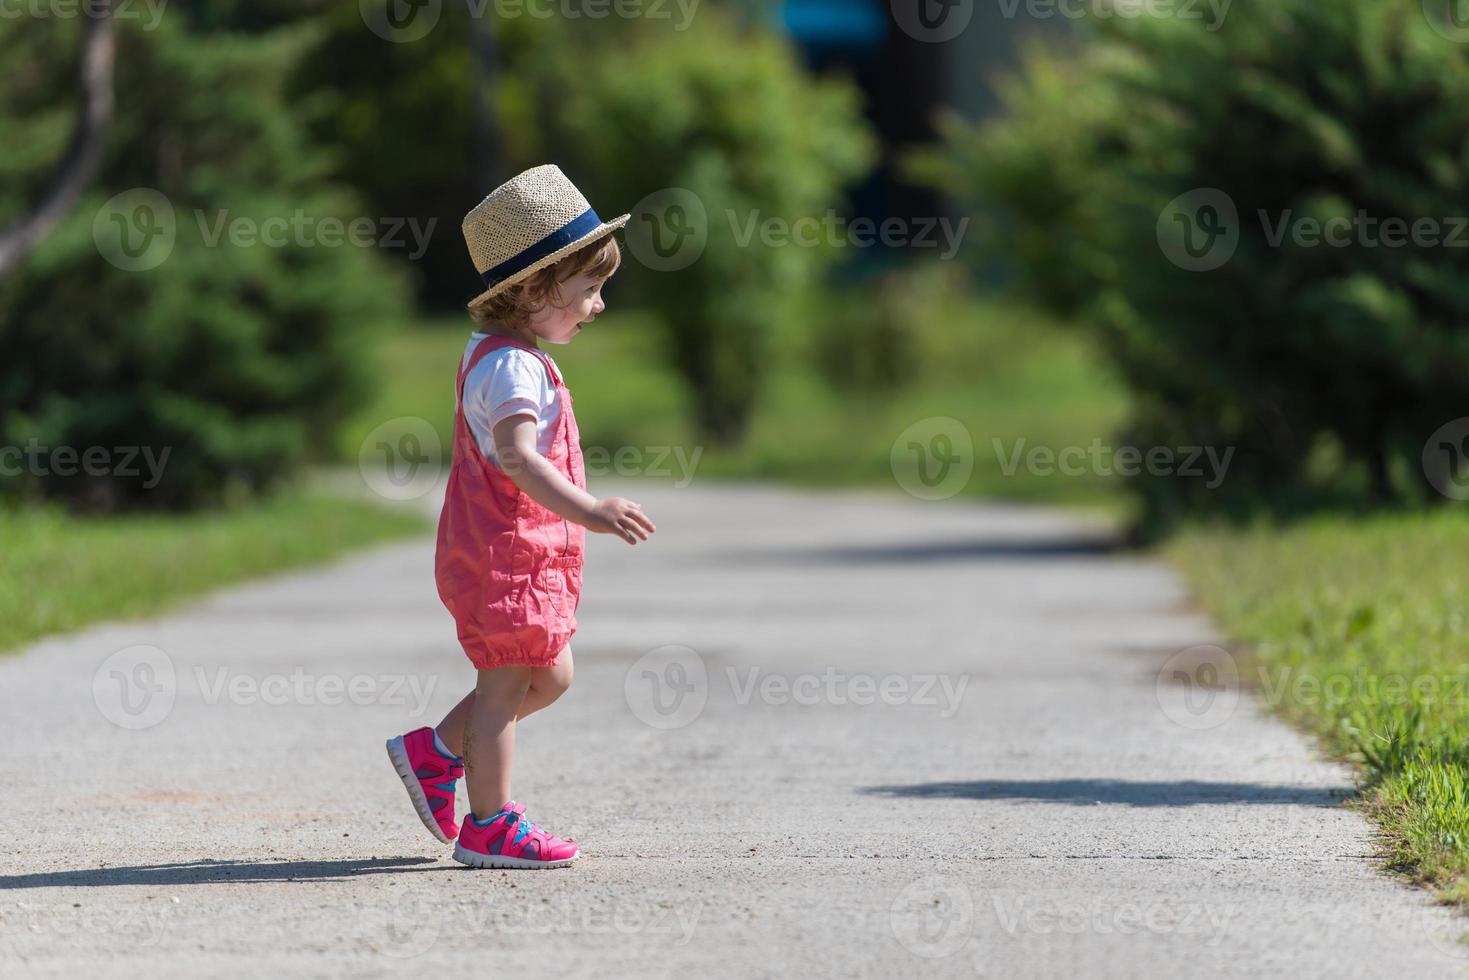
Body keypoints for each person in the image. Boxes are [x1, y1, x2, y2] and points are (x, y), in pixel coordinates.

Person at [386, 164, 657, 869]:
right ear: (534, 288)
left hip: (523, 556)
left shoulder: (511, 355)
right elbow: (517, 456)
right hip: (506, 556)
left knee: (550, 676)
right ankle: (490, 825)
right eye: (588, 289)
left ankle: (436, 751)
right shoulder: (511, 368)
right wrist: (590, 509)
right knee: (504, 685)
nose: (596, 305)